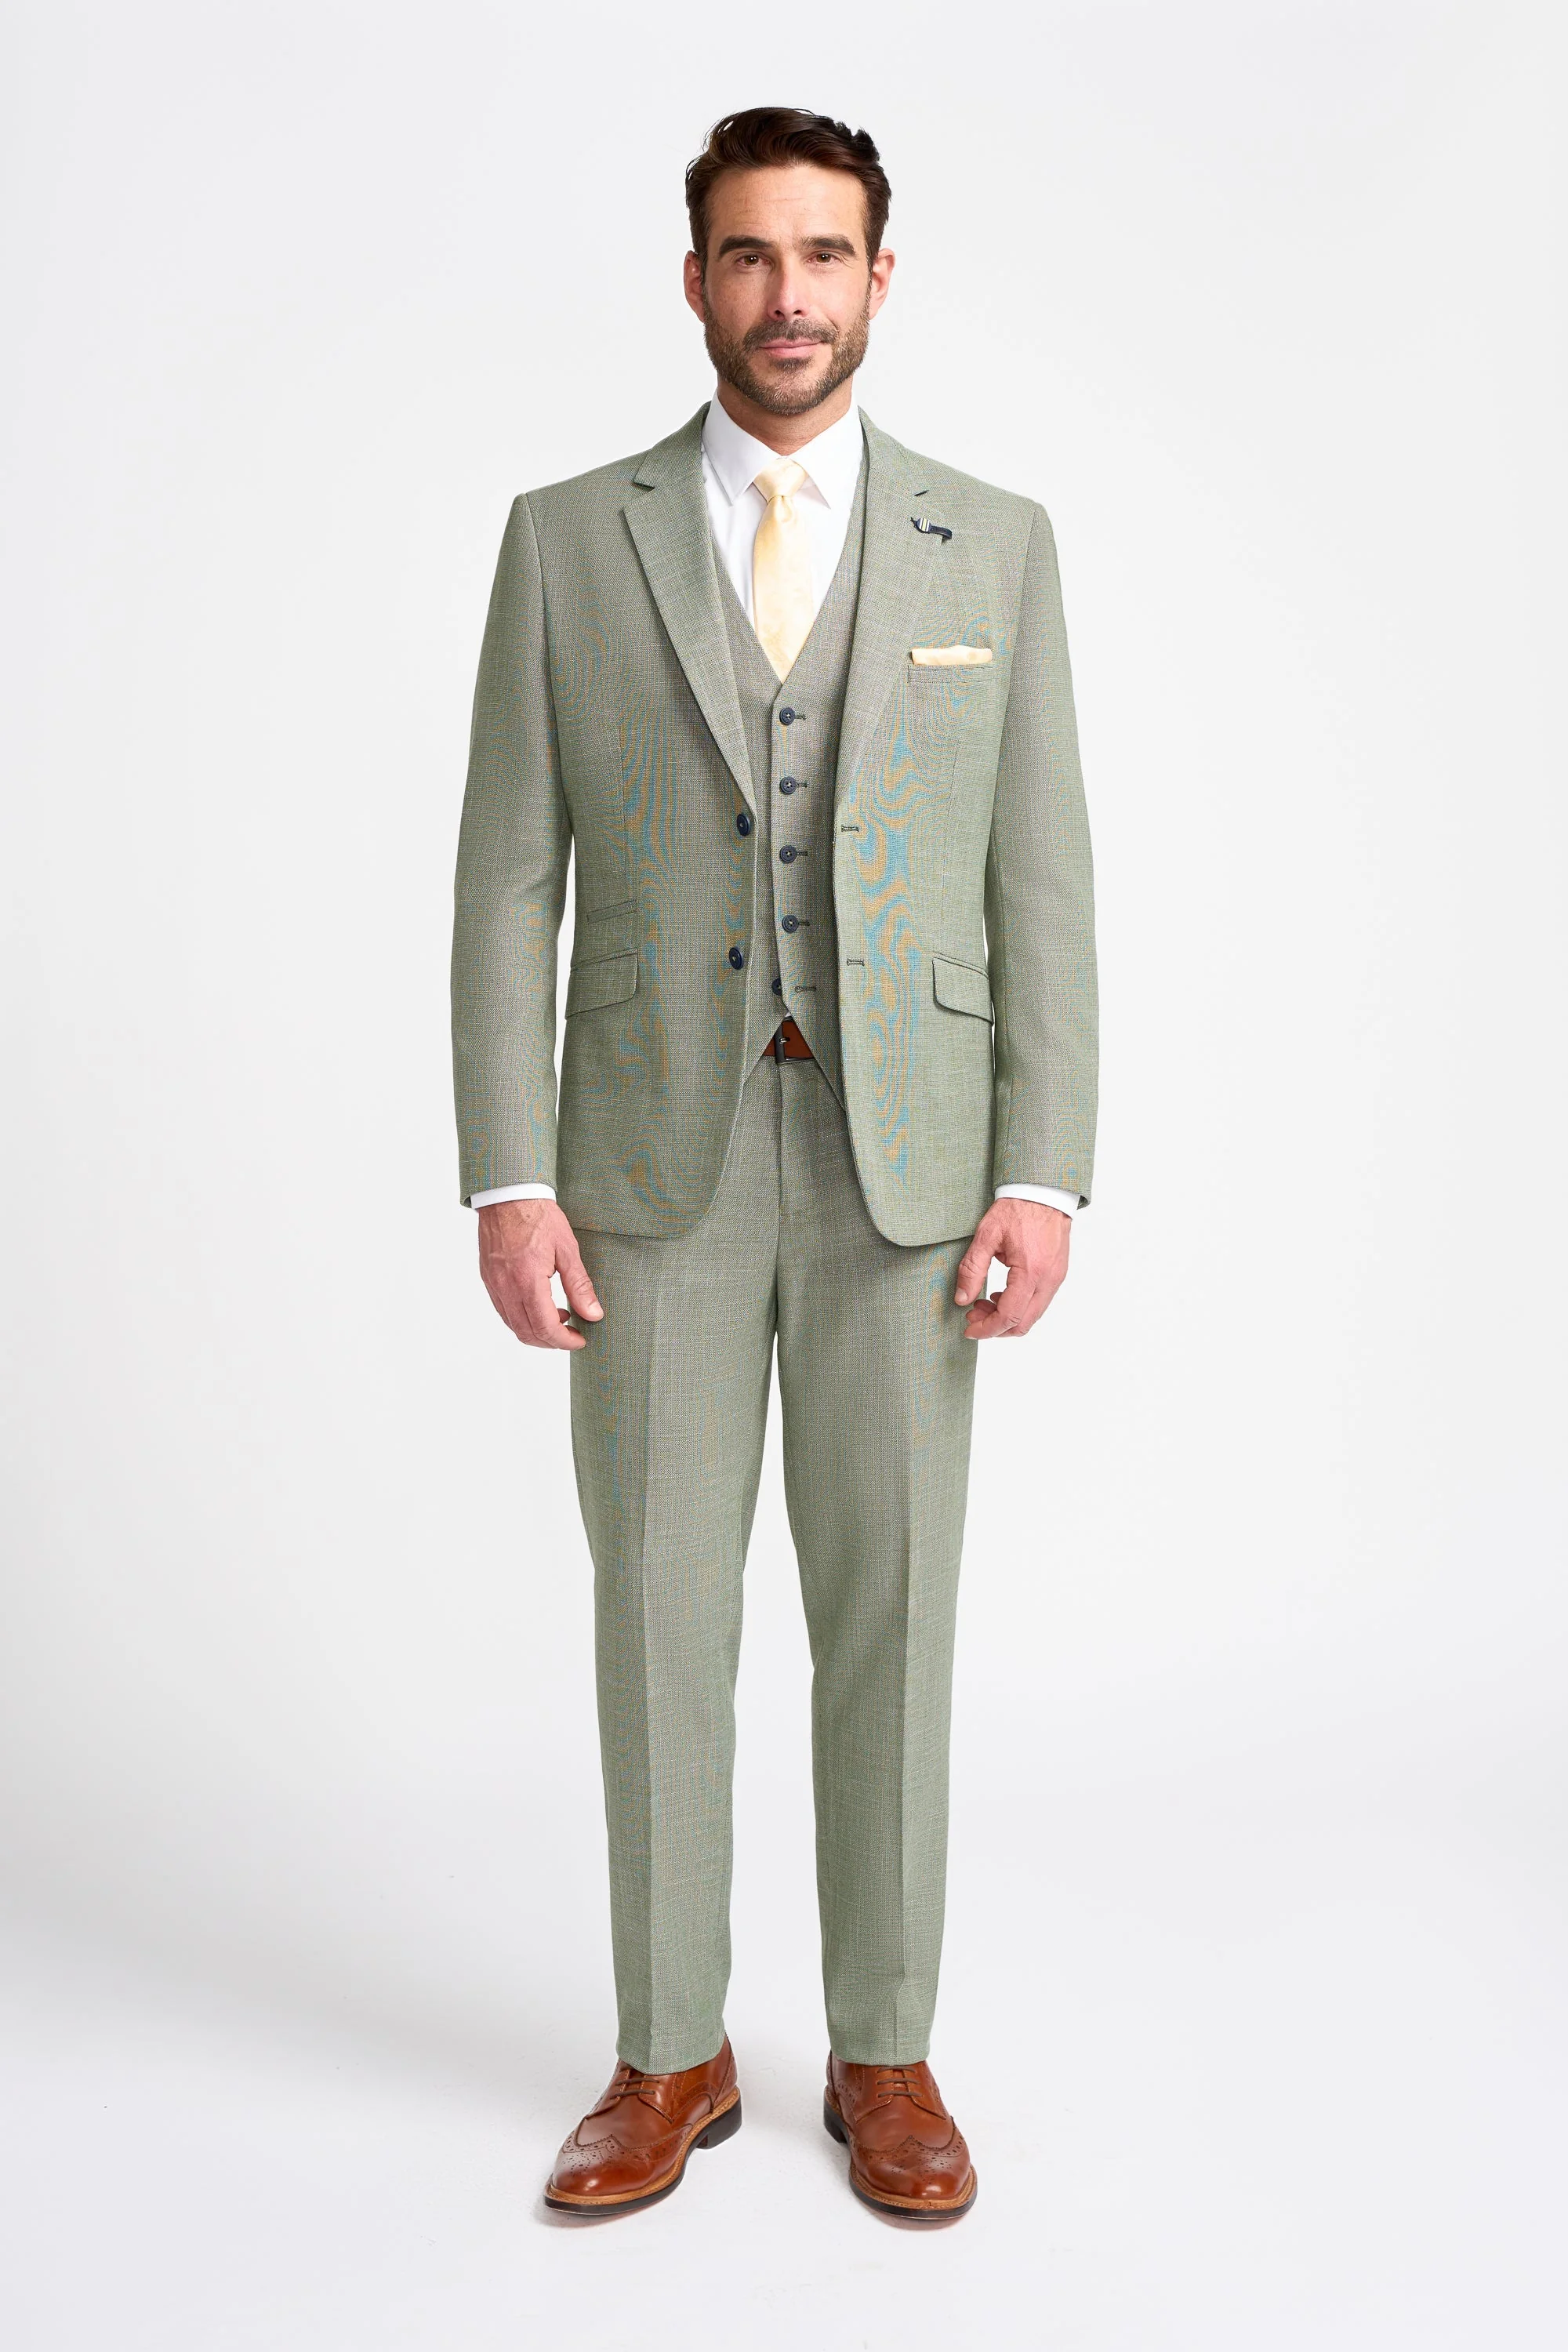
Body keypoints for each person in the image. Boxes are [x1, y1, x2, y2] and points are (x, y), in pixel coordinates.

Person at [451, 106, 1097, 2221]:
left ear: (879, 278)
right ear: (696, 278)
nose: (788, 295)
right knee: (657, 1610)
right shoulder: (572, 540)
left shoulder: (995, 545)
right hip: (649, 1170)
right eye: (750, 254)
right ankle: (670, 2051)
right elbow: (505, 877)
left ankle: (885, 2052)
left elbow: (1043, 875)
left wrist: (1046, 1169)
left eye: (826, 255)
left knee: (891, 1613)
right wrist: (507, 1175)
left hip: (915, 1175)